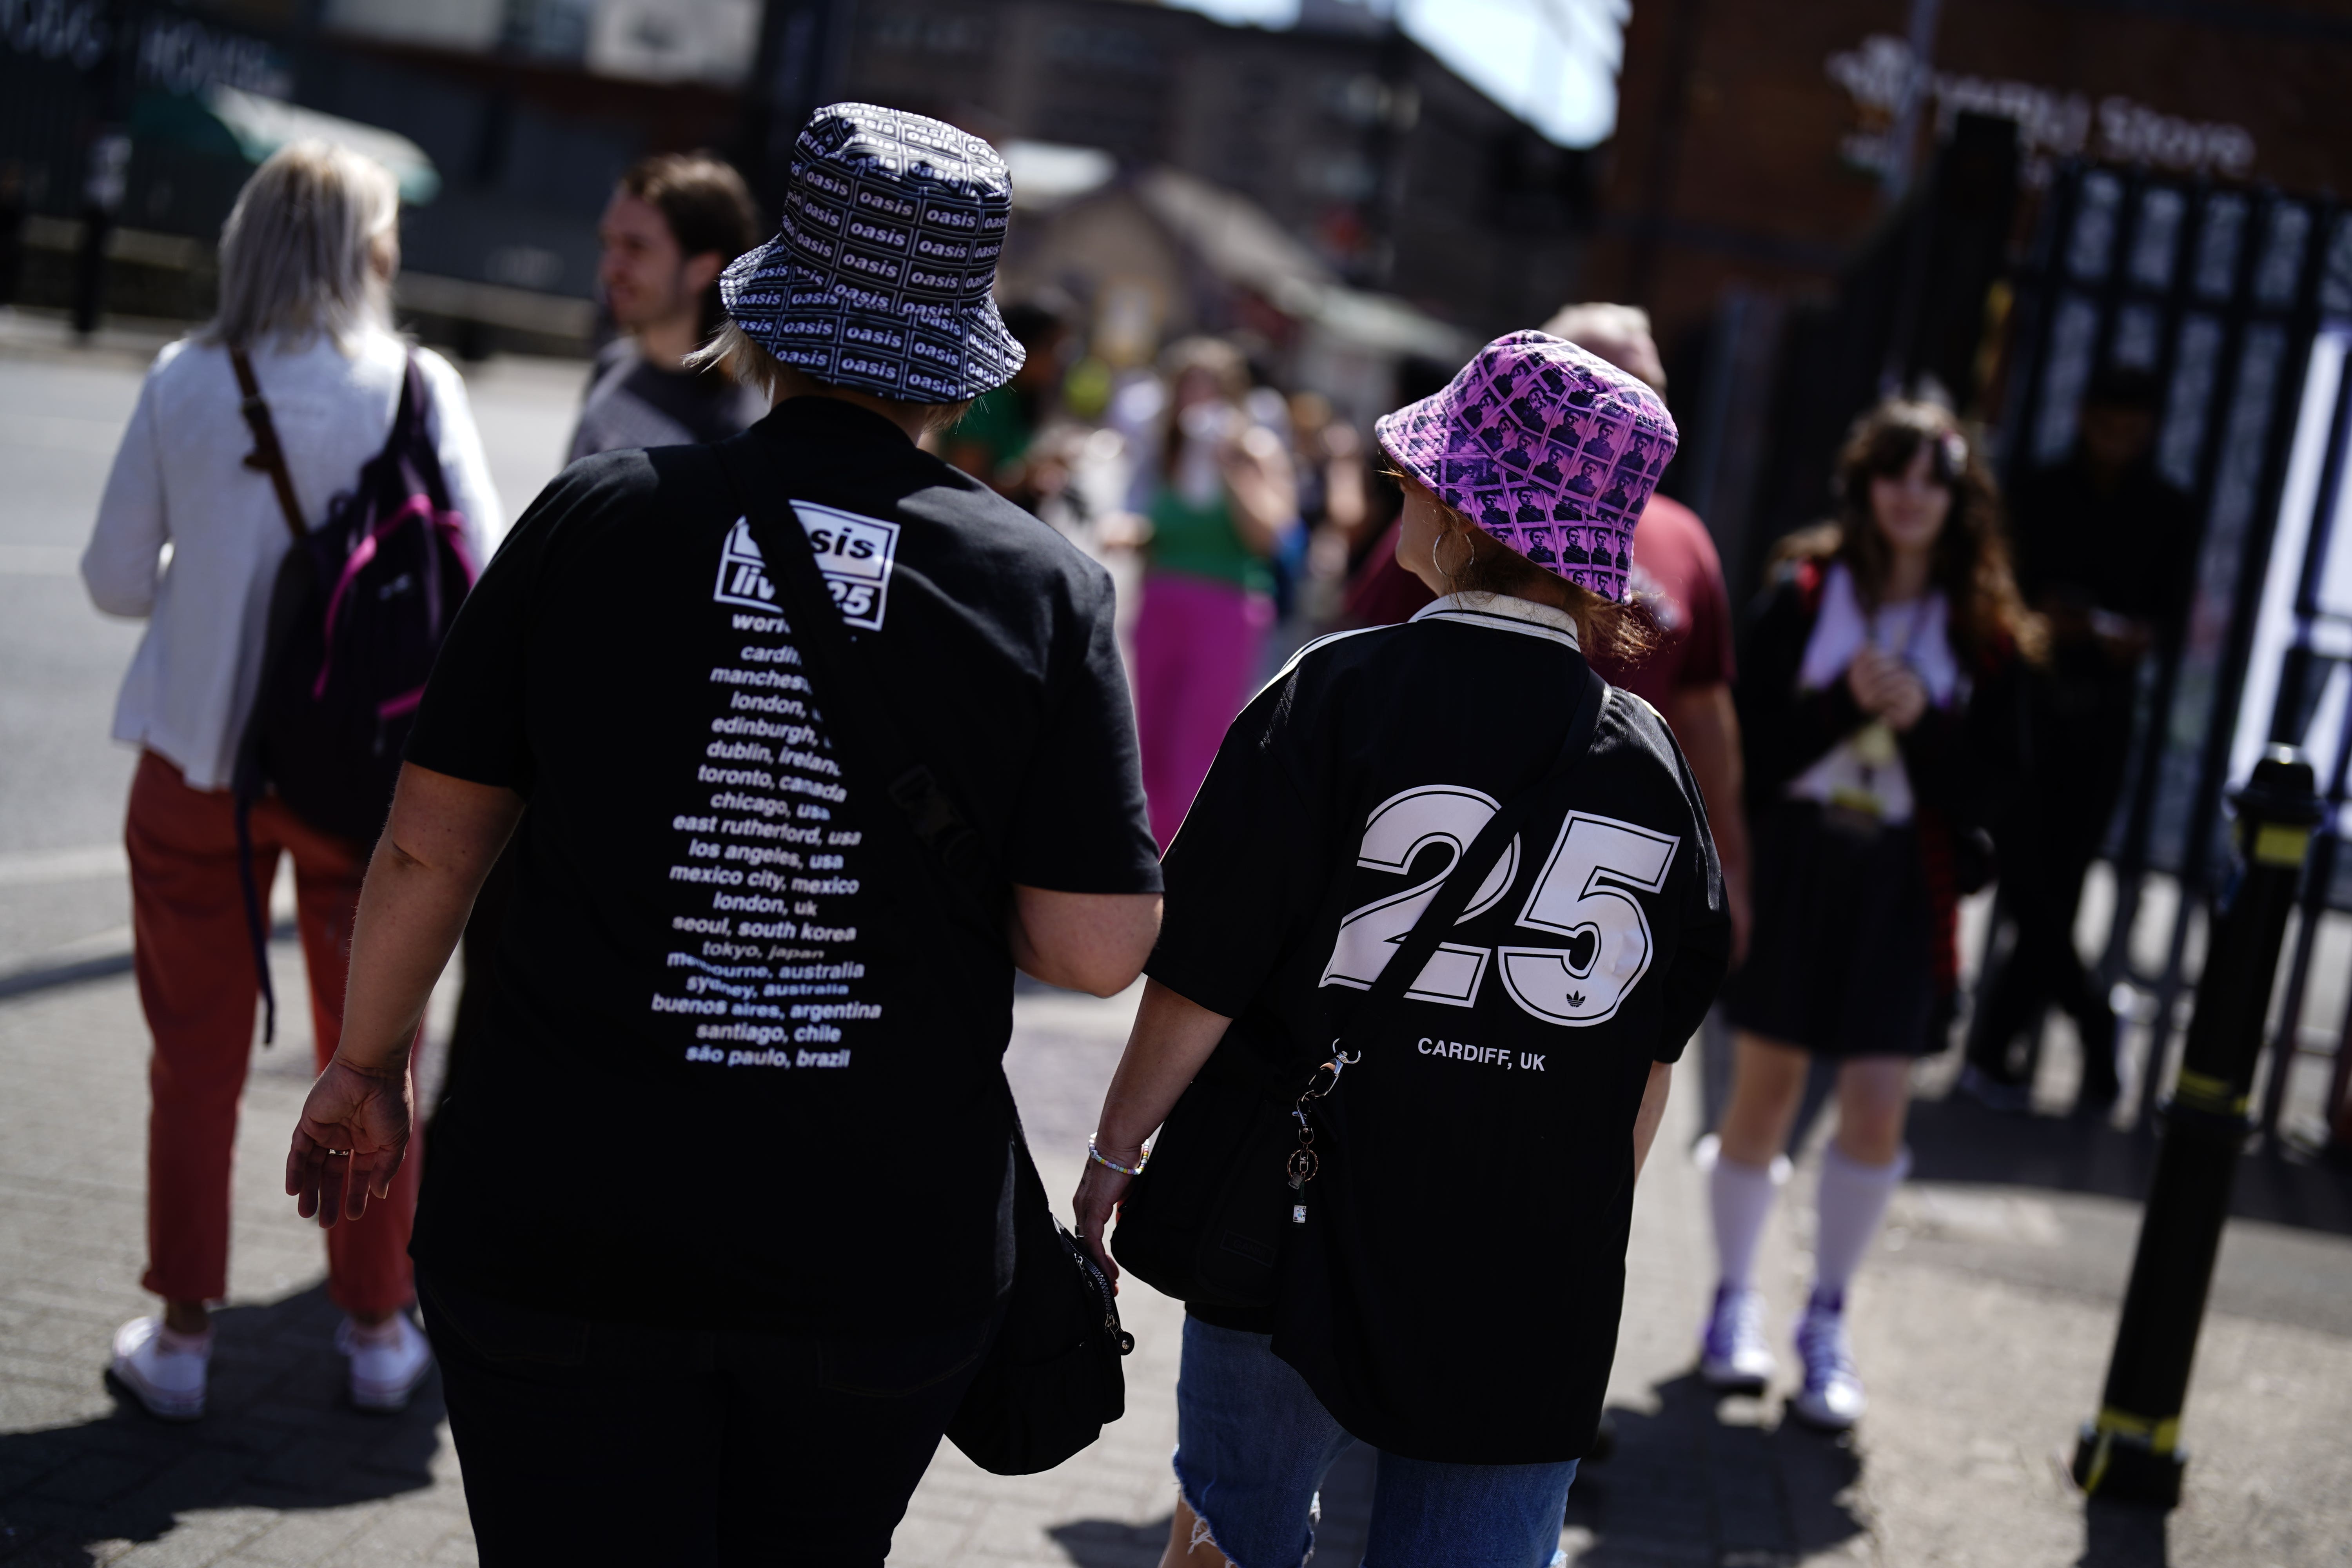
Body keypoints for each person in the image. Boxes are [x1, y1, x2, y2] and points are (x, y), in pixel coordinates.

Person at [281, 104, 1163, 1564]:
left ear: (769, 310)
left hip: (558, 1209)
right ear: (957, 356)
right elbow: (1092, 943)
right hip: (876, 1247)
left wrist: (368, 1066)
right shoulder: (1037, 587)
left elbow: (431, 844)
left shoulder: (594, 518)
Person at [1074, 331, 1731, 1568]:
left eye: (1417, 478)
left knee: (1232, 1537)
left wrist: (1118, 1150)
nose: (1397, 497)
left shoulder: (1334, 693)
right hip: (1526, 1266)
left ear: (1462, 512)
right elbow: (1647, 1058)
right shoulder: (1647, 761)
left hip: (1295, 1214)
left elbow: (1204, 968)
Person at [80, 141, 501, 1421]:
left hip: (195, 761)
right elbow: (478, 570)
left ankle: (186, 1338)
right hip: (365, 785)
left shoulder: (182, 379)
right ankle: (376, 1334)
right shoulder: (418, 385)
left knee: (193, 1060)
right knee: (371, 1055)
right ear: (371, 254)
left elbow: (113, 580)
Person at [1700, 399, 2034, 1429]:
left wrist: (1921, 721)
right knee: (1767, 1090)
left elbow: (1993, 789)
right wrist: (1846, 703)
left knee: (1880, 1100)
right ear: (1864, 482)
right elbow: (1744, 746)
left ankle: (1828, 1317)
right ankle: (1730, 1304)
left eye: (1931, 478)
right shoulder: (1803, 594)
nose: (1911, 494)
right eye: (1894, 472)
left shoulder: (1982, 632)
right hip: (1801, 862)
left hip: (1902, 879)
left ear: (1959, 498)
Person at [1961, 365, 2194, 1112]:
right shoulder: (2037, 491)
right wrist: (2042, 622)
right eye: (2106, 425)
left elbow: (2172, 620)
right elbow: (1998, 590)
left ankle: (1998, 1048)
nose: (2116, 442)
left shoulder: (2168, 510)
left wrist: (2127, 637)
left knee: (2055, 889)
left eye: (2131, 430)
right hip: (2027, 707)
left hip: (2104, 716)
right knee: (2030, 879)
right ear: (2085, 416)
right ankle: (2088, 1028)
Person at [1129, 336, 1299, 849]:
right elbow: (1155, 525)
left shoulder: (1254, 450)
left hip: (1226, 609)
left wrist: (1232, 466)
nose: (1196, 398)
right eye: (1187, 387)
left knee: (1196, 745)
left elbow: (1271, 536)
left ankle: (1178, 861)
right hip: (1161, 601)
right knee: (1148, 740)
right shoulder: (1166, 451)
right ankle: (1136, 854)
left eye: (1207, 386)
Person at [568, 151, 766, 460]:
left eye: (636, 247)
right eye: (608, 243)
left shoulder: (737, 429)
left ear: (702, 269)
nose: (610, 269)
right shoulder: (612, 367)